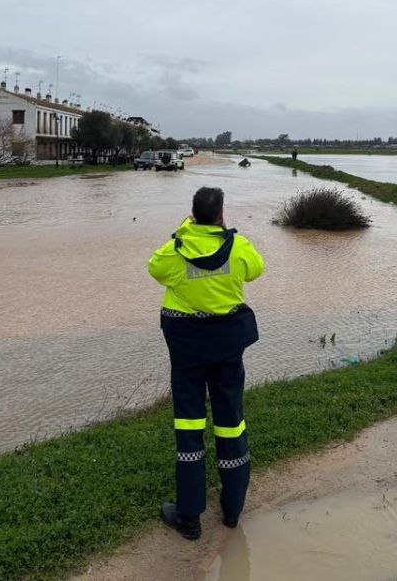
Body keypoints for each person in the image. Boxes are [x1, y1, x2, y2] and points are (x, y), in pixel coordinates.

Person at [149, 186, 265, 540]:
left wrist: (185, 231)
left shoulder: (176, 249)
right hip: (227, 348)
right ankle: (232, 510)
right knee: (231, 423)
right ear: (221, 214)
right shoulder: (238, 247)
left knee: (189, 427)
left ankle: (189, 517)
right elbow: (256, 270)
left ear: (192, 213)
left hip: (187, 352)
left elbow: (154, 268)